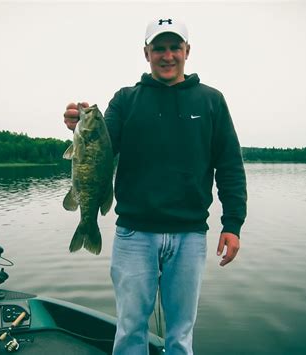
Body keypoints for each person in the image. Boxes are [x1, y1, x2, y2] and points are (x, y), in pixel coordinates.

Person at [63, 18, 247, 355]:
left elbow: (230, 166)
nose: (167, 56)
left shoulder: (211, 101)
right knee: (130, 328)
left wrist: (232, 224)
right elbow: (101, 145)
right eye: (158, 48)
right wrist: (78, 124)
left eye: (174, 47)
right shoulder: (126, 99)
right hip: (134, 234)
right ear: (146, 53)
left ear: (187, 51)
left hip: (190, 235)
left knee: (181, 334)